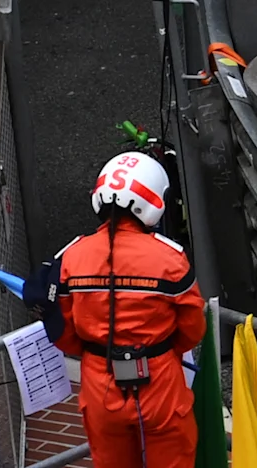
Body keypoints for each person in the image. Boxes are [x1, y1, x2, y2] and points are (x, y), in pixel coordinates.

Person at [44, 153, 207, 468]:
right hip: (160, 379)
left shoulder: (72, 257)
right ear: (152, 202)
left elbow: (64, 332)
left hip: (98, 378)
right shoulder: (170, 260)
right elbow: (192, 329)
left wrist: (94, 353)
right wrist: (163, 353)